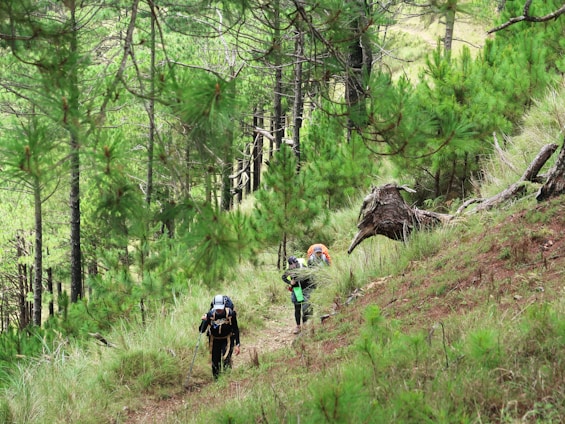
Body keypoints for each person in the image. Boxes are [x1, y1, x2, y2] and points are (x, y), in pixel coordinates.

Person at [199, 294, 240, 379]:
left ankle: (227, 379)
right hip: (214, 340)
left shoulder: (231, 314)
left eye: (220, 308)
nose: (219, 310)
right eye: (217, 308)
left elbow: (235, 328)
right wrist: (204, 321)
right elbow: (201, 330)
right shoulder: (210, 315)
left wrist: (237, 344)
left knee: (226, 358)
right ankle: (217, 380)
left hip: (227, 339)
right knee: (215, 361)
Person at [282, 256, 313, 334]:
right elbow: (283, 277)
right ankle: (298, 326)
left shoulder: (303, 268)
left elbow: (311, 276)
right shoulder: (290, 270)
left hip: (306, 289)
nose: (293, 265)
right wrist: (290, 282)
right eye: (291, 264)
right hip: (297, 290)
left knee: (305, 308)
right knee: (297, 308)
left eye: (294, 263)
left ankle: (305, 326)